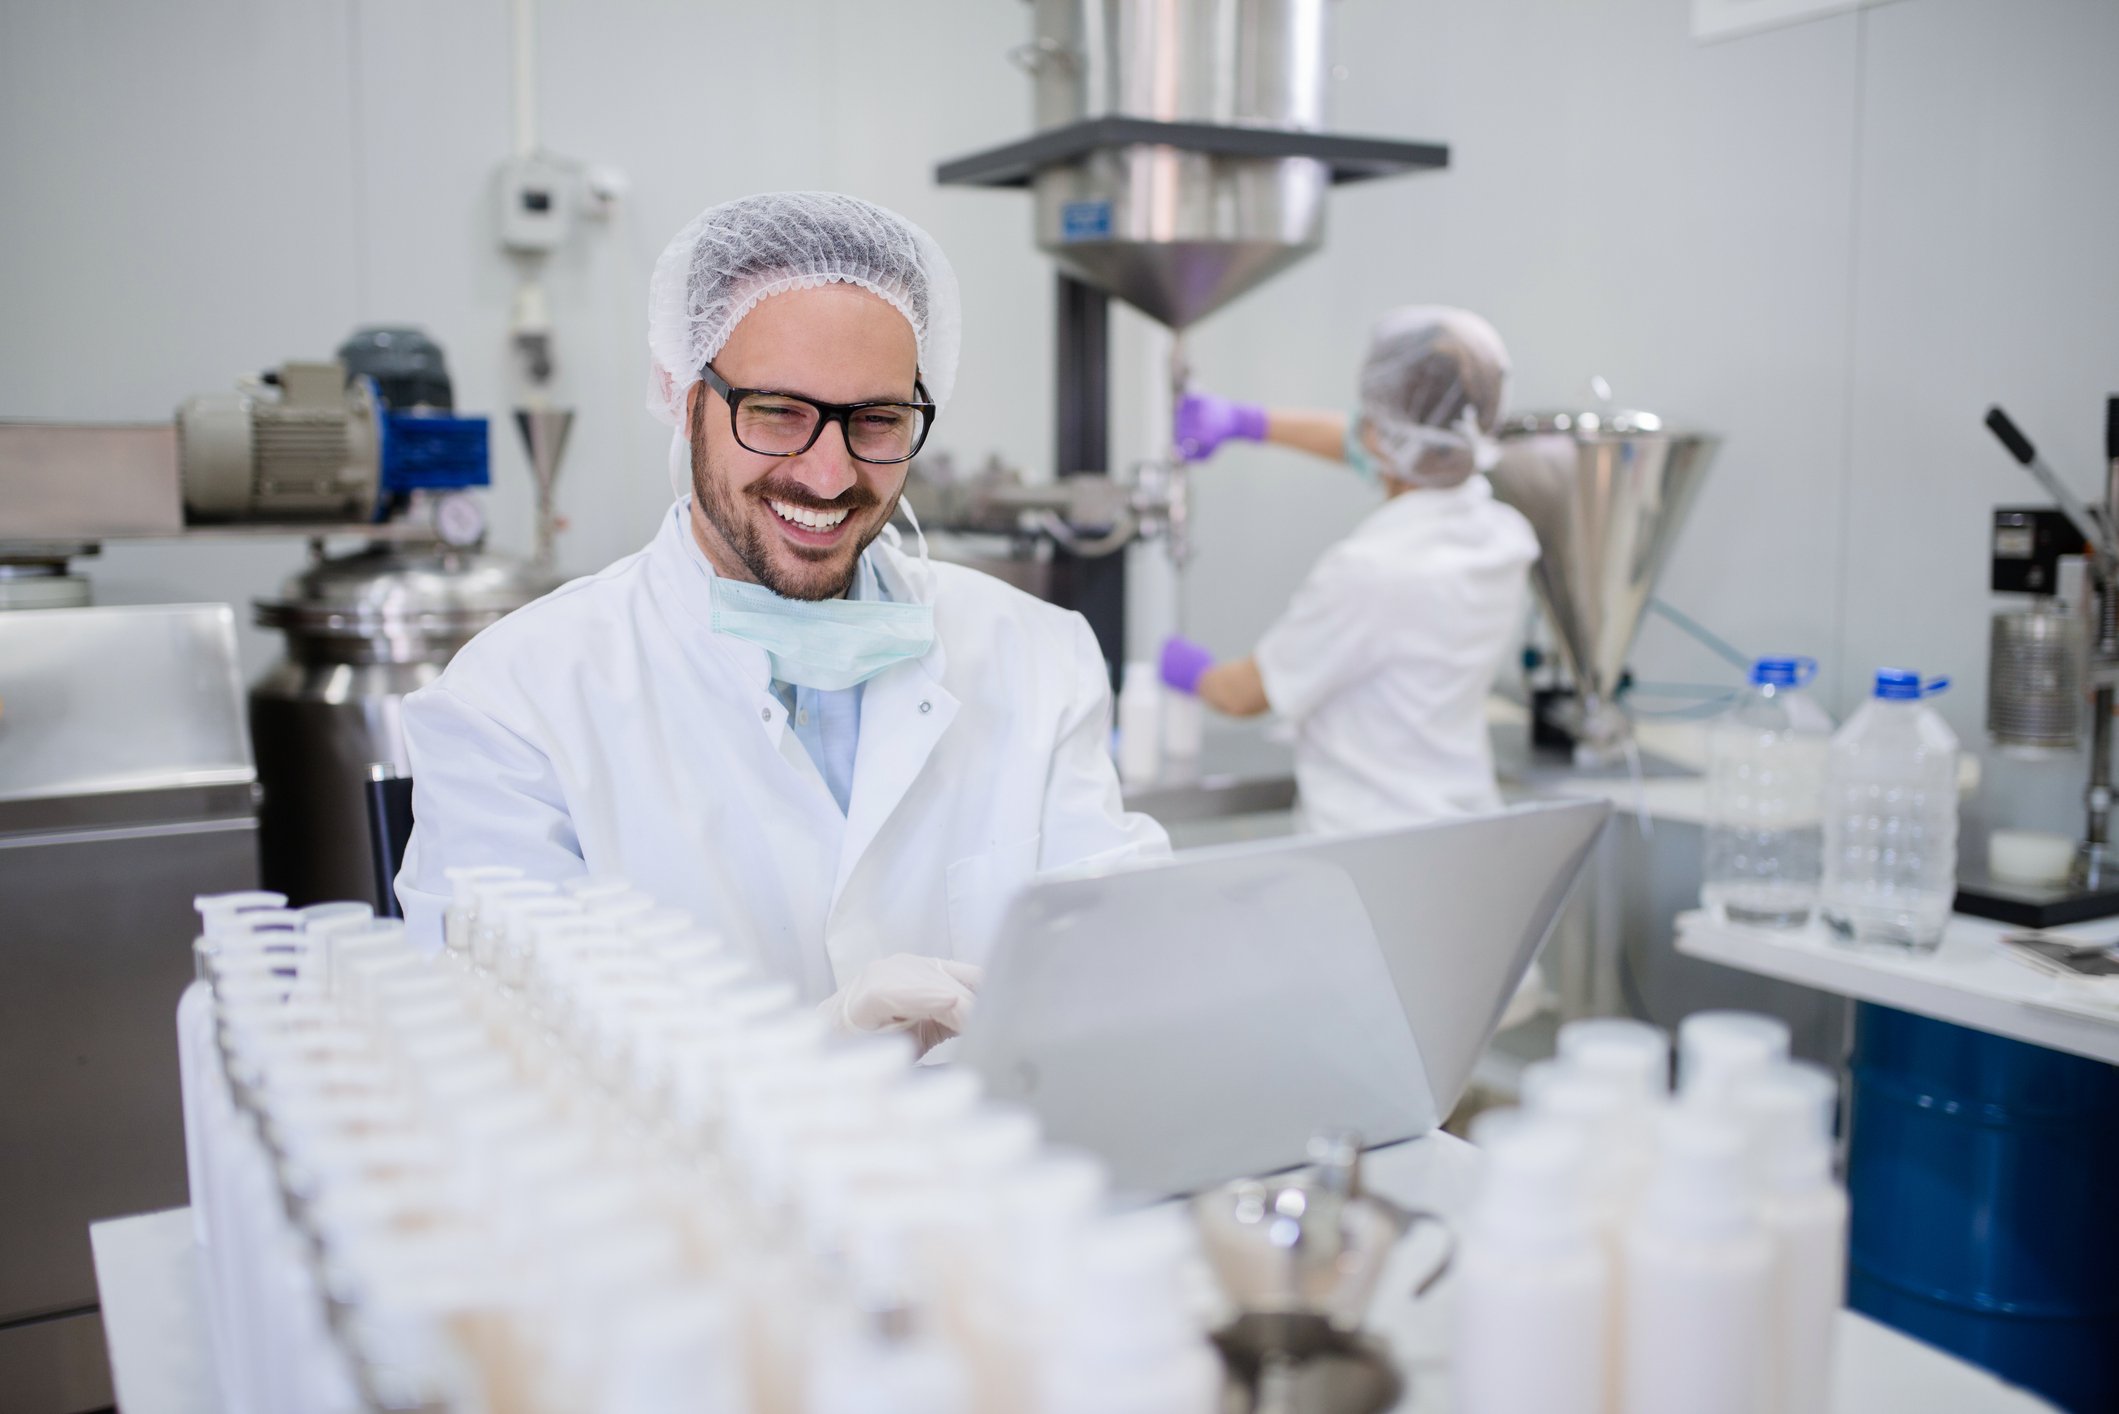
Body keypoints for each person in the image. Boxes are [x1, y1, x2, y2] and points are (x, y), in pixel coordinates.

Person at [396, 191, 1167, 1052]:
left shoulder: (1034, 655)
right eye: (776, 413)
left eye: (877, 421)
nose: (830, 475)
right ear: (684, 397)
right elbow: (504, 1070)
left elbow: (1123, 967)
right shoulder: (516, 701)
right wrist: (816, 1050)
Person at [1159, 306, 1538, 835]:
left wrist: (1184, 668)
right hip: (1464, 835)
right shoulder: (1505, 536)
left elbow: (1241, 695)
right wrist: (1250, 423)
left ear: (1384, 436)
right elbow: (1388, 445)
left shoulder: (1371, 572)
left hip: (1372, 853)